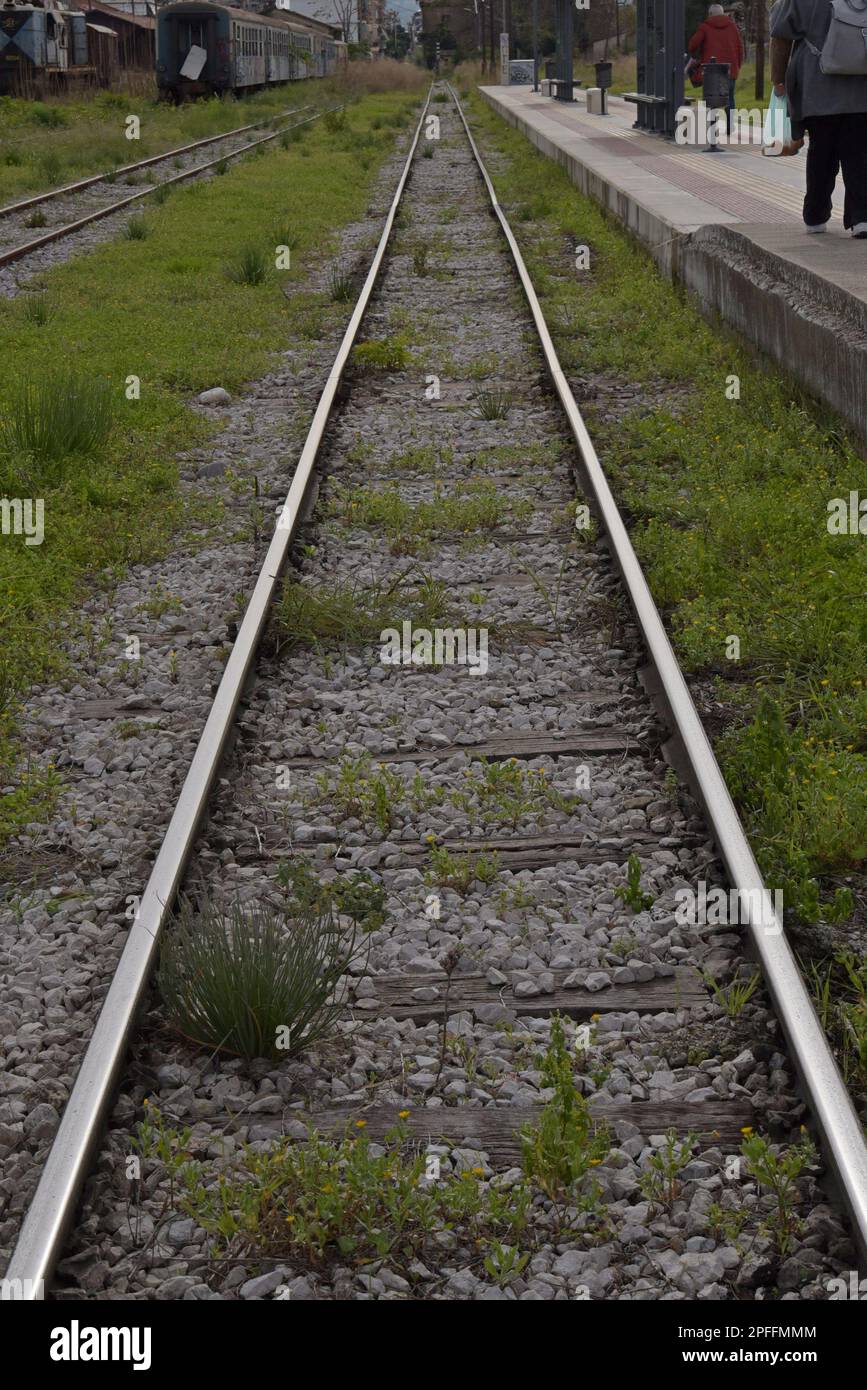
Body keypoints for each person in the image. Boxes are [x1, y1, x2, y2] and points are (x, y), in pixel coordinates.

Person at [771, 0, 867, 236]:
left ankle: (815, 216)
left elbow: (781, 38)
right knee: (859, 155)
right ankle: (862, 218)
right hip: (860, 89)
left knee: (821, 154)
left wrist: (778, 80)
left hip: (817, 87)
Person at [688, 3, 744, 131]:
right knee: (729, 97)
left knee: (711, 99)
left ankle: (713, 130)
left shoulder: (705, 27)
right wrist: (737, 67)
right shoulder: (733, 27)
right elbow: (740, 49)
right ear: (723, 13)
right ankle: (730, 126)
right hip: (730, 69)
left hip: (711, 71)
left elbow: (692, 45)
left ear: (710, 14)